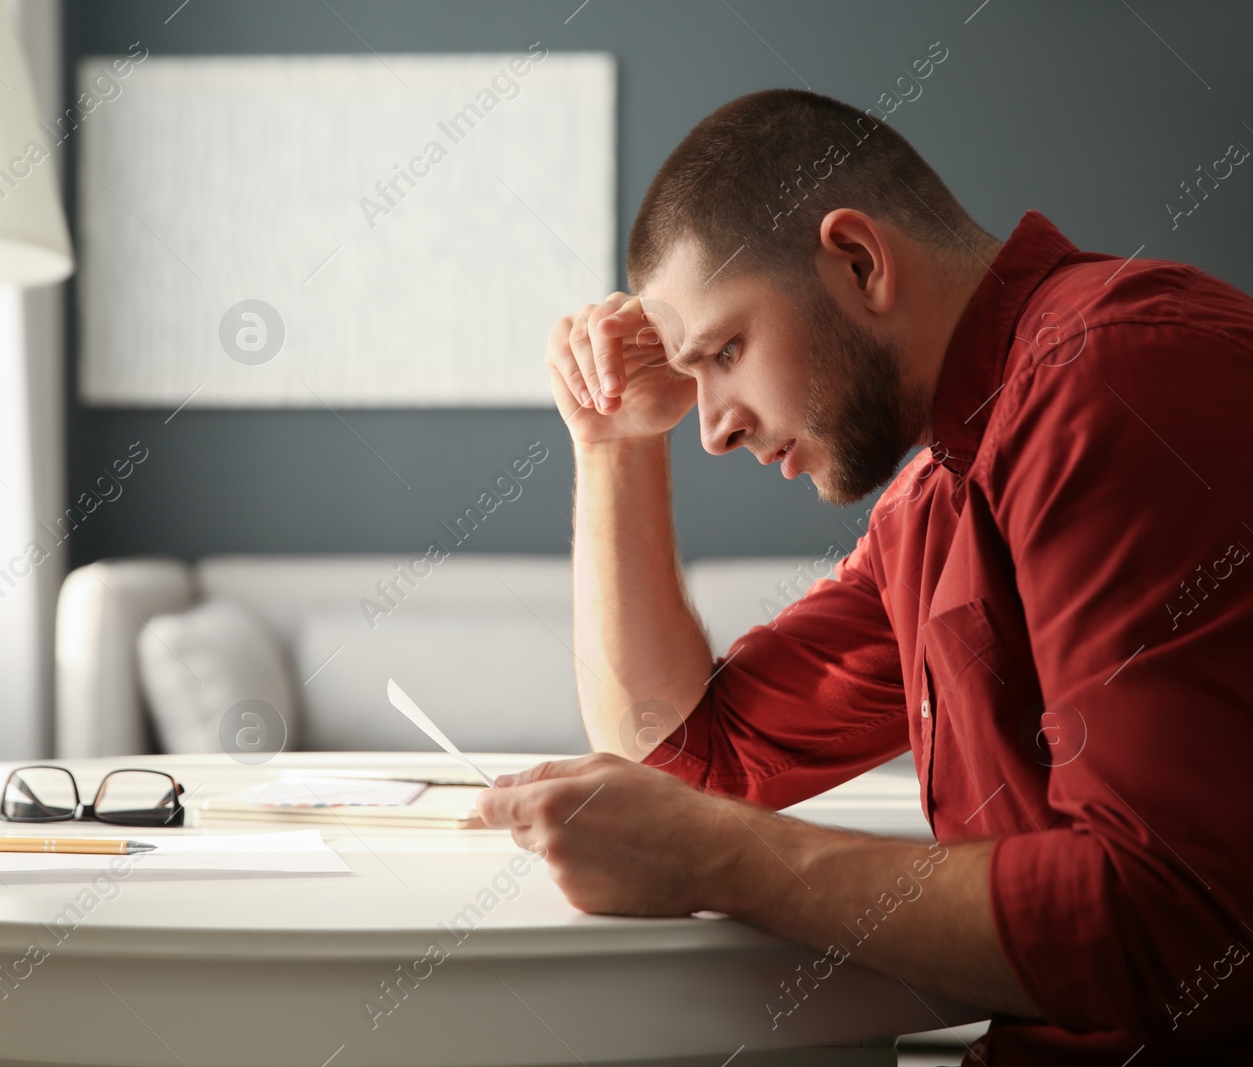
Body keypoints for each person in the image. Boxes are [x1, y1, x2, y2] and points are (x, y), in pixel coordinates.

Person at [474, 88, 1253, 1064]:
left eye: (724, 350)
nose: (712, 426)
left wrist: (724, 856)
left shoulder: (1112, 380)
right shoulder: (931, 500)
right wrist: (614, 443)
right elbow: (683, 758)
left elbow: (1182, 920)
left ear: (857, 260)